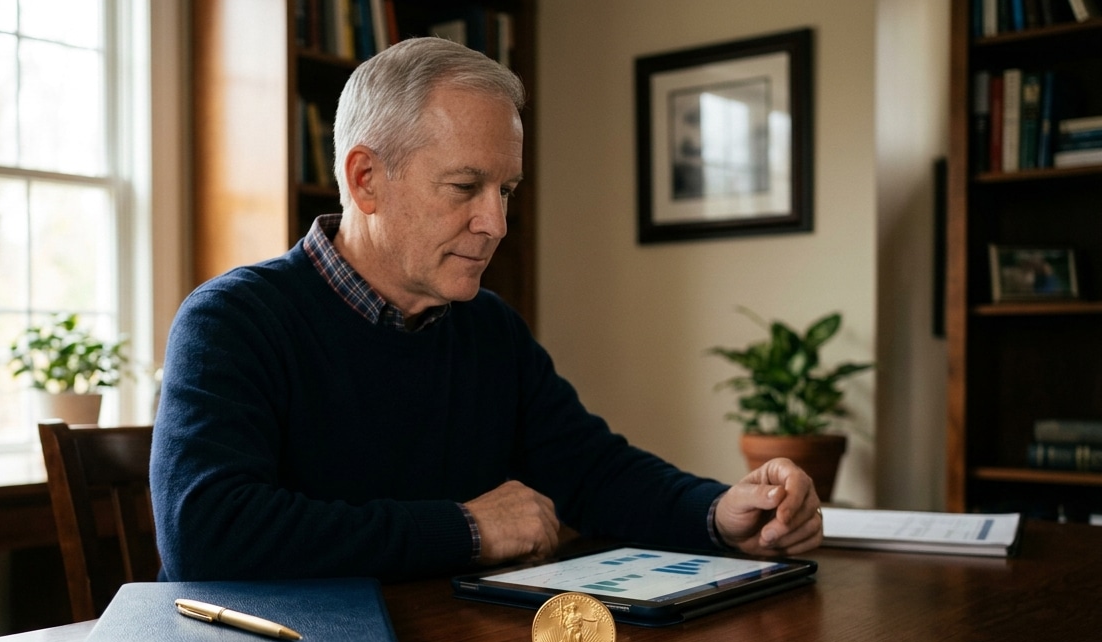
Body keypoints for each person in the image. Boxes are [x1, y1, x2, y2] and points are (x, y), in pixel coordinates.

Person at [150, 37, 823, 582]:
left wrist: (718, 510)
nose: (496, 223)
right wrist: (465, 529)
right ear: (366, 180)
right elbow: (209, 535)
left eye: (506, 188)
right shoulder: (231, 322)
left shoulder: (489, 327)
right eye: (466, 186)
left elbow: (592, 470)